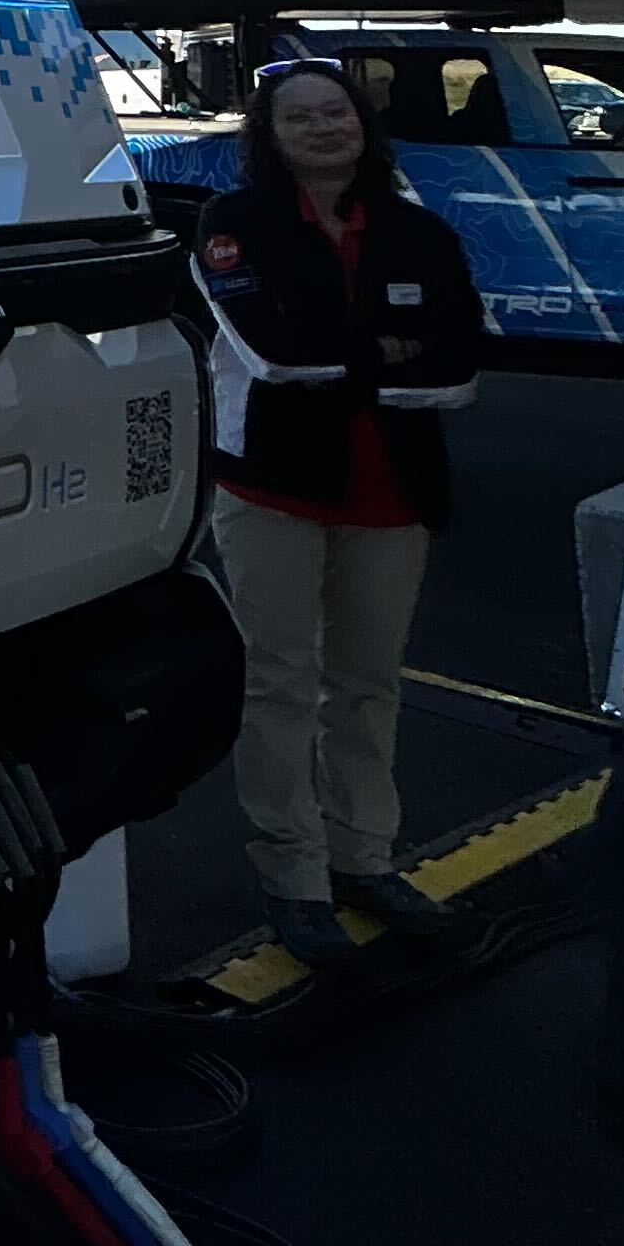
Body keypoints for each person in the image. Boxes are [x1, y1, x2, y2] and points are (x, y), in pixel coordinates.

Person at [192, 60, 484, 967]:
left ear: (362, 124)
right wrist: (389, 352)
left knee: (367, 684)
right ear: (270, 135)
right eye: (302, 117)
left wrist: (350, 357)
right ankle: (294, 874)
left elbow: (459, 364)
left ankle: (364, 858)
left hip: (392, 492)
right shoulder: (233, 225)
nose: (324, 128)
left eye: (337, 112)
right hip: (272, 489)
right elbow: (276, 353)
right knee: (279, 683)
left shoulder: (419, 232)